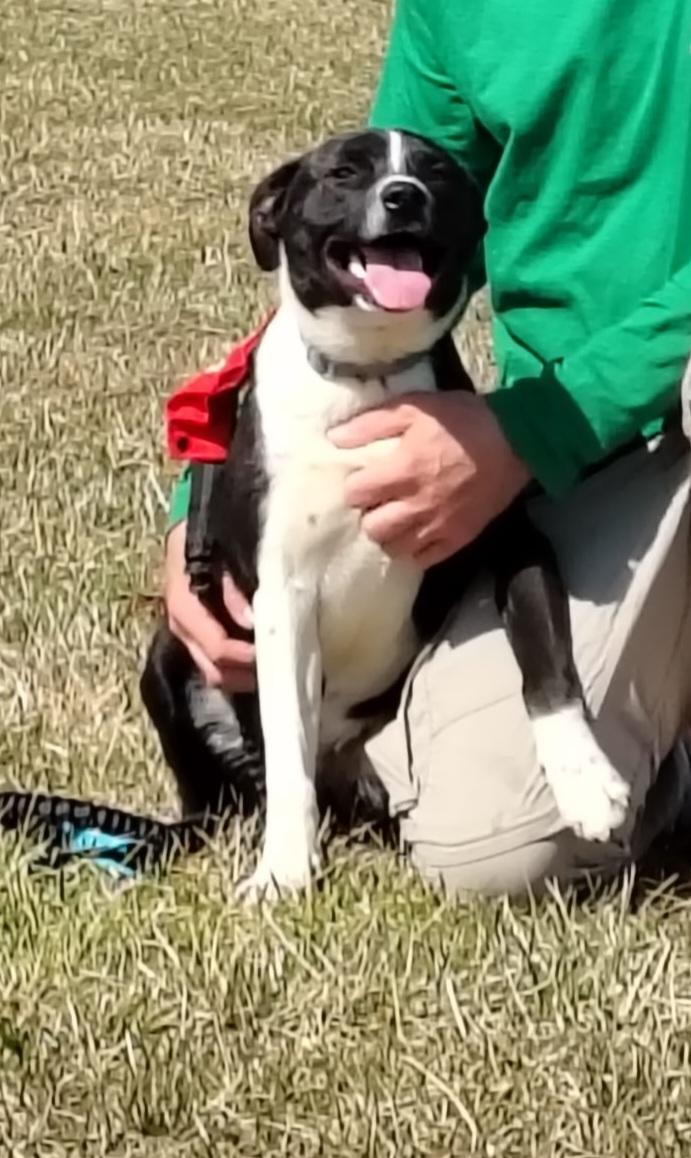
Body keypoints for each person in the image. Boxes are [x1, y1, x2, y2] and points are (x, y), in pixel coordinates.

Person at [163, 0, 691, 894]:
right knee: (490, 848)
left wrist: (530, 429)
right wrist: (211, 510)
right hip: (589, 459)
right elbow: (379, 247)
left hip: (600, 412)